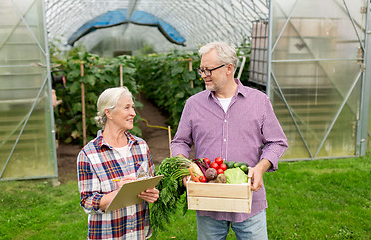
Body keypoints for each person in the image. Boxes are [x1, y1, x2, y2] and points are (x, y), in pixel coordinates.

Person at [171, 41, 288, 240]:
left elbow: (277, 141)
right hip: (209, 199)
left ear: (229, 68)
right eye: (202, 70)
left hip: (249, 199)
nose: (204, 75)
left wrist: (260, 168)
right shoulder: (193, 104)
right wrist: (183, 166)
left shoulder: (259, 101)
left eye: (208, 70)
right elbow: (180, 142)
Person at [77, 86, 159, 240]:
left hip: (140, 233)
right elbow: (87, 202)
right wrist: (119, 193)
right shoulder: (89, 154)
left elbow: (150, 182)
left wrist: (152, 192)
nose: (133, 113)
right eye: (127, 108)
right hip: (109, 235)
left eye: (133, 107)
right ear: (108, 113)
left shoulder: (140, 146)